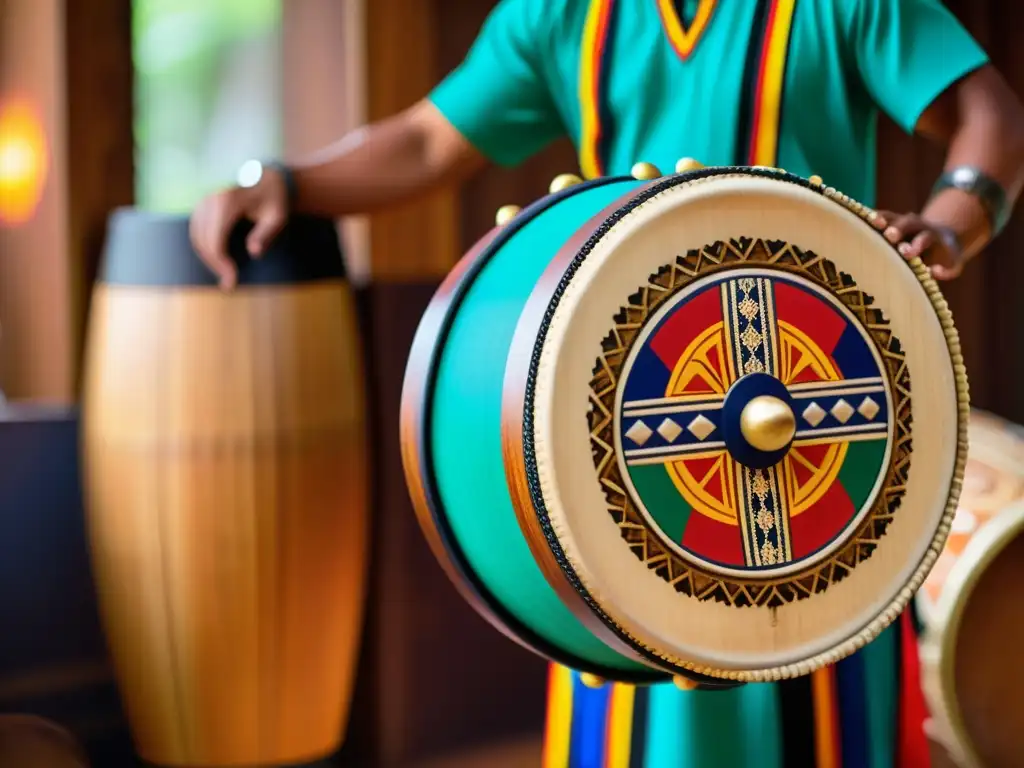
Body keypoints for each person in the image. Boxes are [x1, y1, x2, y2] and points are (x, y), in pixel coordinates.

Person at [190, 1, 1024, 765]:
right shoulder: (559, 14)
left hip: (811, 403)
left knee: (821, 670)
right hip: (612, 398)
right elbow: (427, 142)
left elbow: (991, 117)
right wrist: (285, 183)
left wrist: (945, 229)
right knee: (617, 624)